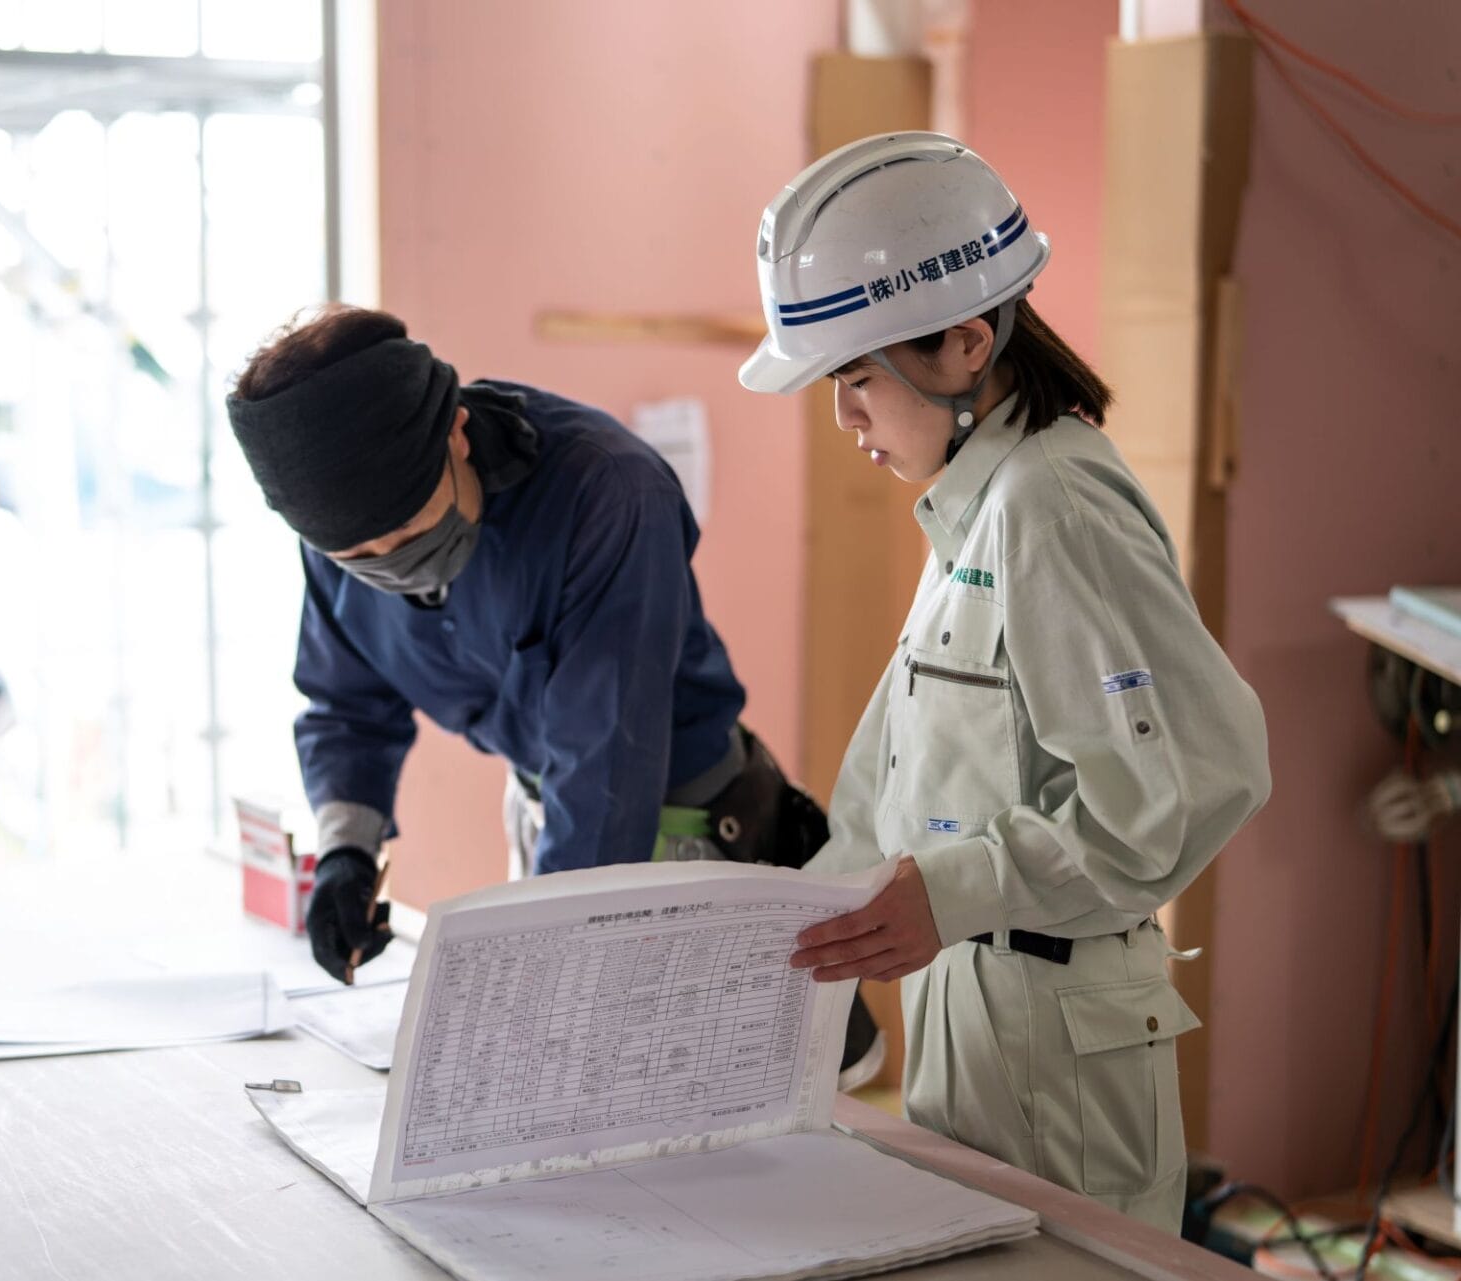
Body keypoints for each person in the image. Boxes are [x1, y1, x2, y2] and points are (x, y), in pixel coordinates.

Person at [740, 132, 1271, 1231]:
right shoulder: (972, 516)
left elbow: (1190, 786)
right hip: (977, 1000)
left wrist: (954, 891)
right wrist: (789, 936)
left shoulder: (1051, 506)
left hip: (1056, 1029)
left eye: (856, 382)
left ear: (967, 341)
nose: (846, 422)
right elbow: (904, 773)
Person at [226, 304, 883, 1086]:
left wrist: (546, 982)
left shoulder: (605, 491)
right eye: (357, 556)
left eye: (405, 536)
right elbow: (345, 703)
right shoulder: (333, 541)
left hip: (683, 830)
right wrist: (346, 849)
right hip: (549, 817)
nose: (391, 567)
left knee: (714, 1107)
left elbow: (603, 769)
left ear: (458, 434)